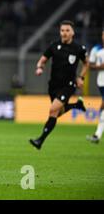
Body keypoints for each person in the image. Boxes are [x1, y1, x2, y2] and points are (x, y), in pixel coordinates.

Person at [29, 20, 88, 150]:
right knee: (58, 113)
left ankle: (40, 140)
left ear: (72, 32)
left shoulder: (79, 49)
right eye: (62, 30)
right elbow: (43, 60)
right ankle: (76, 105)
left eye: (67, 30)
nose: (64, 33)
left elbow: (86, 63)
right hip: (54, 86)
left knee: (52, 110)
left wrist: (81, 77)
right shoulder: (54, 46)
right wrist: (39, 67)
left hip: (68, 85)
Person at [86, 29, 104, 144]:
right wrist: (100, 67)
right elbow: (90, 66)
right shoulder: (96, 49)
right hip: (102, 83)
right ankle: (97, 134)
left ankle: (97, 134)